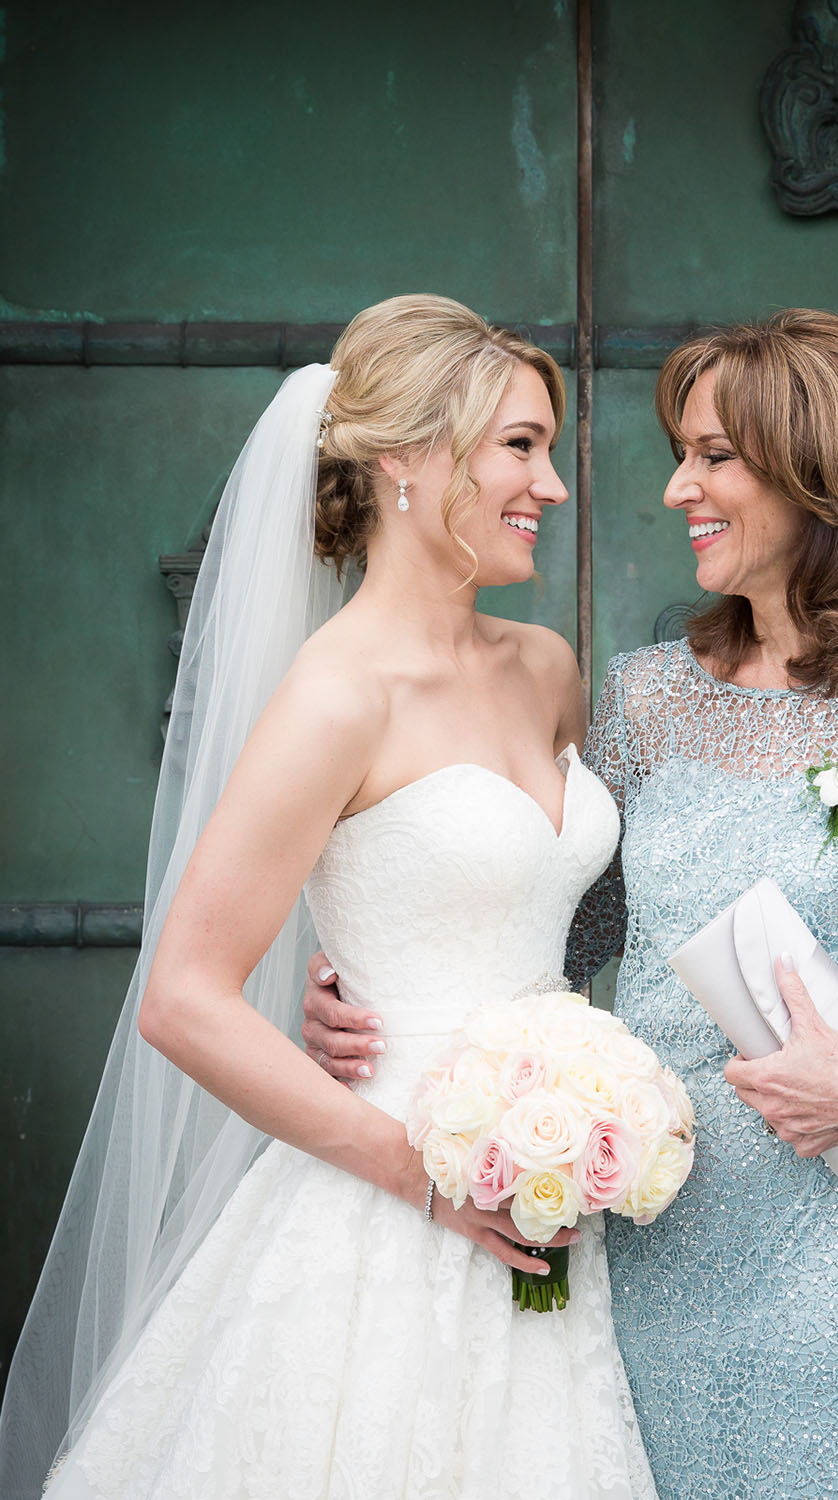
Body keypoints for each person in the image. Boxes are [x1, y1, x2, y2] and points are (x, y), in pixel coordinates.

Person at [304, 310, 838, 1500]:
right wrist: (370, 987)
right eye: (682, 452)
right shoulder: (644, 696)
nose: (679, 485)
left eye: (714, 456)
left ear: (820, 473)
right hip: (635, 1254)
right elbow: (566, 942)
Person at [0, 295, 656, 1500]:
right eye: (520, 445)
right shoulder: (337, 695)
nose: (552, 486)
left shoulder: (549, 671)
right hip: (387, 1208)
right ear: (407, 459)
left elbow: (552, 914)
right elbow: (184, 998)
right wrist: (423, 1176)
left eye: (546, 450)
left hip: (554, 1192)